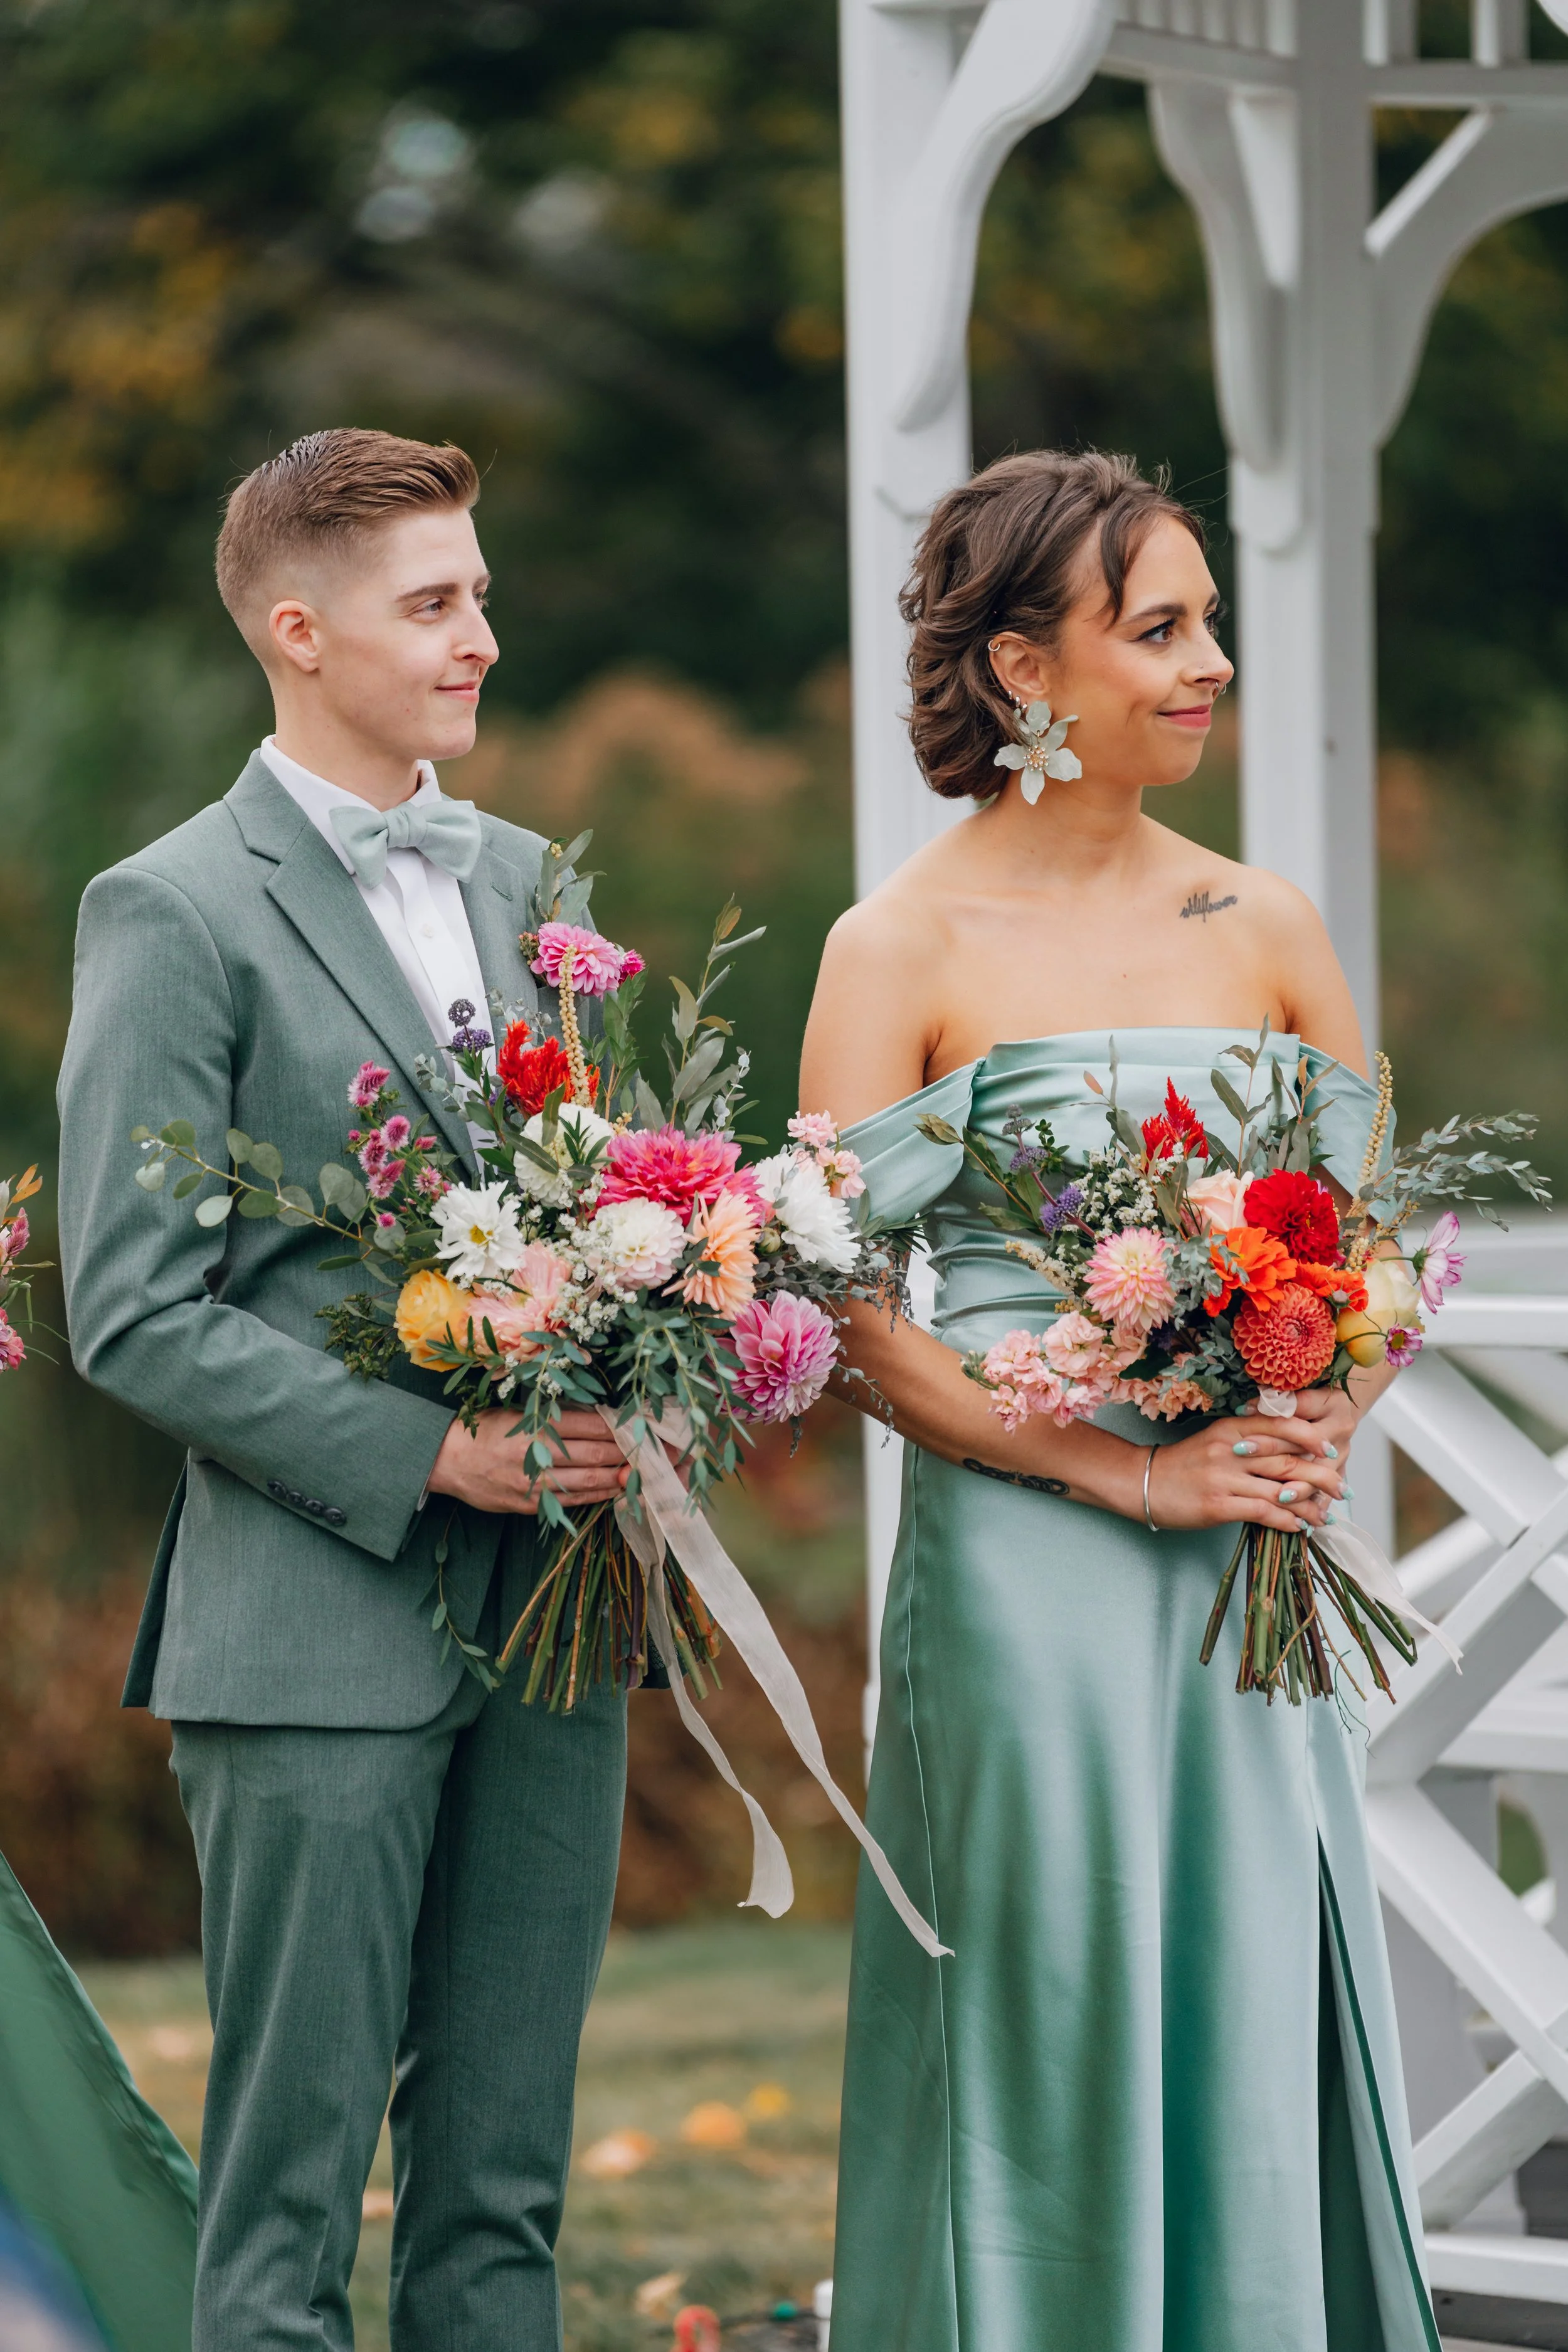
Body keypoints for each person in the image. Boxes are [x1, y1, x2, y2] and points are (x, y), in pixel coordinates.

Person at [801, 451, 1439, 2350]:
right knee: (1047, 1990)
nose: (1210, 663)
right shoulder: (894, 947)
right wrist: (1117, 1472)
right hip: (1024, 1578)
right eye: (1158, 629)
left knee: (1243, 1981)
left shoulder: (1263, 919)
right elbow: (841, 1308)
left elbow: (1378, 1242)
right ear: (1020, 667)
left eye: (1208, 622)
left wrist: (1328, 1388)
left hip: (1250, 1555)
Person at [56, 428, 633, 2351]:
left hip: (555, 1615)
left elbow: (606, 1211)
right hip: (309, 1629)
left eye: (480, 590)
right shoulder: (171, 908)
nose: (483, 633)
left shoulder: (531, 882)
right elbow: (132, 1309)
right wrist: (429, 1451)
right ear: (299, 631)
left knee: (503, 2177)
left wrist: (663, 1335)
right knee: (286, 2190)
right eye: (437, 602)